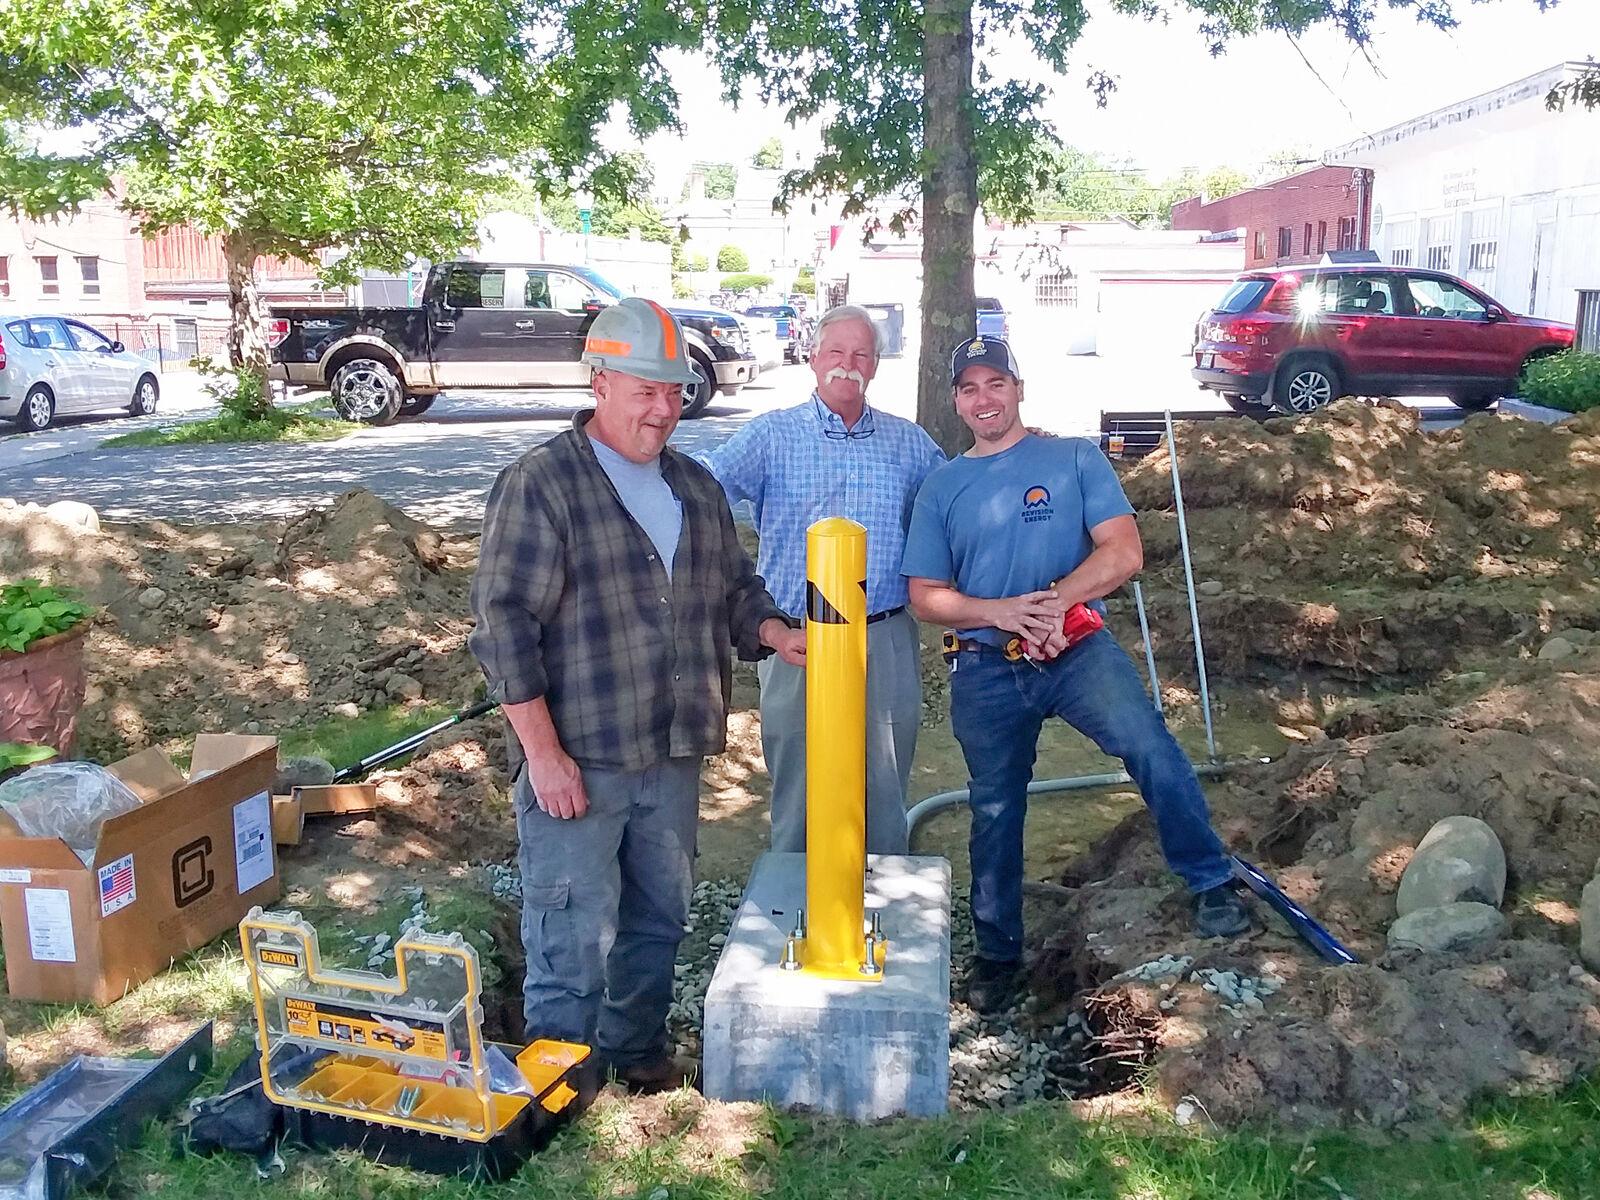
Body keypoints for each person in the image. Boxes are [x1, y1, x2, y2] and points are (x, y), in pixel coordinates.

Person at [469, 297, 804, 1091]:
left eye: (674, 392)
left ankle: (635, 1056)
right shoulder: (543, 483)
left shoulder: (695, 486)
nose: (662, 409)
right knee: (571, 931)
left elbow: (733, 591)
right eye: (644, 390)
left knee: (658, 919)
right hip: (581, 755)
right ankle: (557, 1086)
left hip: (675, 749)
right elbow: (503, 626)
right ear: (600, 381)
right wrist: (542, 756)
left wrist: (774, 634)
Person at [901, 335, 1250, 1014]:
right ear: (956, 401)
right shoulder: (942, 487)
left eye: (995, 383)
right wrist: (1001, 613)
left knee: (1150, 748)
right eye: (969, 388)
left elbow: (1124, 552)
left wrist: (1055, 604)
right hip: (984, 667)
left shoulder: (1072, 460)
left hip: (1075, 652)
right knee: (994, 808)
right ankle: (999, 955)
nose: (984, 399)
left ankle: (1212, 884)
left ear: (1018, 387)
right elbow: (924, 595)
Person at [699, 305, 944, 855]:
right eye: (836, 352)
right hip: (796, 638)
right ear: (813, 358)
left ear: (876, 366)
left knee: (882, 783)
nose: (847, 364)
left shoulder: (910, 445)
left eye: (861, 354)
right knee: (800, 784)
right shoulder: (771, 435)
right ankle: (794, 907)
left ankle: (880, 910)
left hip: (882, 635)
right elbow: (701, 496)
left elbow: (952, 515)